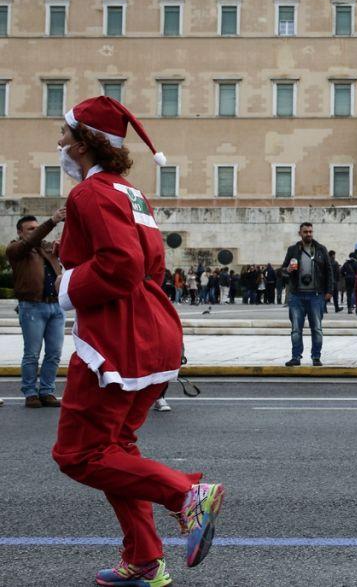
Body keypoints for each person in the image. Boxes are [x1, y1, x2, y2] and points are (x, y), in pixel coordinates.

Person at [50, 95, 223, 585]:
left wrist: (66, 287)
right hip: (150, 331)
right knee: (117, 451)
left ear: (84, 144)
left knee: (79, 456)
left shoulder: (89, 194)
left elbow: (120, 266)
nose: (59, 142)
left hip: (115, 341)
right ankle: (144, 559)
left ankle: (184, 494)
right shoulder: (131, 192)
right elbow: (153, 266)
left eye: (65, 133)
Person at [9, 210, 66, 408]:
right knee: (32, 353)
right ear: (20, 232)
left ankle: (47, 391)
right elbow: (28, 243)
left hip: (55, 306)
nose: (34, 232)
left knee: (54, 353)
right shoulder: (16, 249)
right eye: (30, 229)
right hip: (32, 306)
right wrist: (51, 221)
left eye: (36, 228)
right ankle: (30, 393)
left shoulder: (47, 248)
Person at [282, 222, 334, 367]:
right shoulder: (293, 250)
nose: (309, 234)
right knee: (296, 329)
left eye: (310, 231)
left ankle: (316, 357)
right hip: (296, 295)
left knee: (316, 328)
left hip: (316, 295)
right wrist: (288, 270)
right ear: (300, 233)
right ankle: (296, 357)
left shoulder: (321, 249)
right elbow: (283, 271)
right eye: (305, 232)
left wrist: (329, 291)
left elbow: (329, 271)